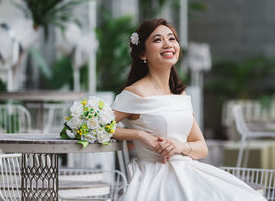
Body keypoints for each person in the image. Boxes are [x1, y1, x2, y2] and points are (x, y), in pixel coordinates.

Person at [111, 18, 267, 201]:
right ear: (142, 54)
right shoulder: (135, 93)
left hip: (188, 171)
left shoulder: (181, 95)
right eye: (158, 40)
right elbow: (95, 127)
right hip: (158, 177)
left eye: (172, 39)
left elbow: (201, 148)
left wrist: (179, 146)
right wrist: (139, 135)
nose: (168, 44)